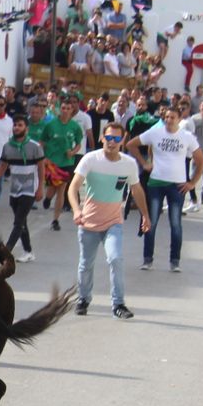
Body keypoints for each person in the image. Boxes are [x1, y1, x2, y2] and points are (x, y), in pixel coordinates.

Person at [69, 121, 151, 319]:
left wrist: (145, 215)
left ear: (122, 140)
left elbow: (136, 189)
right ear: (102, 138)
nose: (112, 142)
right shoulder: (90, 159)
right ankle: (83, 299)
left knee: (115, 259)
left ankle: (118, 304)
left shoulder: (128, 164)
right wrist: (76, 210)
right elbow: (73, 187)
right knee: (86, 264)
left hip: (113, 221)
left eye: (116, 138)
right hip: (88, 221)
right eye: (108, 138)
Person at [127, 103, 203, 272]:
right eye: (167, 117)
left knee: (175, 223)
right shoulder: (155, 133)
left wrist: (192, 182)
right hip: (156, 182)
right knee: (151, 221)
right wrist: (144, 163)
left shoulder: (187, 136)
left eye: (172, 117)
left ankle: (174, 261)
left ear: (179, 119)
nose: (169, 120)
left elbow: (201, 160)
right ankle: (148, 259)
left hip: (177, 185)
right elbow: (131, 144)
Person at [0, 114, 45, 261]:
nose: (16, 128)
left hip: (30, 189)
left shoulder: (35, 147)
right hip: (15, 189)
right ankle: (28, 251)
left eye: (20, 125)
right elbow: (3, 165)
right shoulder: (8, 146)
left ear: (26, 128)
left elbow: (41, 168)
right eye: (15, 125)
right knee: (22, 221)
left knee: (18, 222)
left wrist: (40, 188)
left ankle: (6, 251)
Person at [35, 95, 86, 231]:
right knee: (52, 189)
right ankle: (47, 198)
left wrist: (73, 152)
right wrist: (43, 157)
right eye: (63, 108)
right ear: (59, 109)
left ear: (72, 110)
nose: (65, 110)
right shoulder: (50, 125)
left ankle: (55, 220)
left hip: (67, 162)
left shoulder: (74, 126)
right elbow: (42, 142)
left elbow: (79, 144)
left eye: (68, 108)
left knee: (62, 190)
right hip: (52, 162)